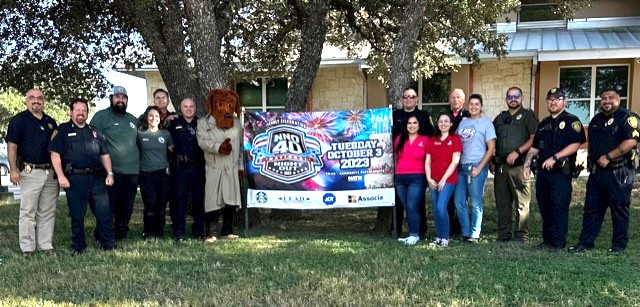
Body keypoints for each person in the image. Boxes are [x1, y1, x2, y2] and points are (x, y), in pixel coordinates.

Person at [569, 88, 640, 253]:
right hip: (597, 173)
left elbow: (630, 142)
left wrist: (608, 157)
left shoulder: (627, 118)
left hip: (619, 171)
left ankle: (618, 246)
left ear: (618, 100)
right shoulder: (596, 120)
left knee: (619, 209)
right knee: (592, 209)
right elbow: (592, 144)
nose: (606, 101)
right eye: (603, 99)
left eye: (610, 98)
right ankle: (585, 243)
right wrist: (587, 160)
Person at [49, 99, 116, 253]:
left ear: (87, 112)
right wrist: (61, 176)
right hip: (75, 179)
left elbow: (104, 154)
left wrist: (110, 173)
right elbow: (55, 154)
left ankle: (108, 243)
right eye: (77, 110)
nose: (81, 113)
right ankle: (78, 246)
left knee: (104, 212)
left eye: (84, 110)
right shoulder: (63, 131)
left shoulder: (94, 132)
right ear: (71, 112)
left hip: (96, 178)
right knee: (77, 214)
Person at [523, 88, 585, 250]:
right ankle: (547, 239)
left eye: (557, 99)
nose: (553, 102)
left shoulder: (572, 121)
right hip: (543, 173)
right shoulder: (543, 124)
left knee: (559, 206)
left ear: (564, 101)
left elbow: (576, 144)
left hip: (561, 172)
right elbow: (535, 147)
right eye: (550, 99)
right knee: (545, 206)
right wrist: (526, 163)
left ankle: (558, 242)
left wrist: (555, 157)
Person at [6, 88, 59, 256]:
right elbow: (12, 146)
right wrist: (13, 169)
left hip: (50, 173)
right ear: (26, 100)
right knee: (28, 211)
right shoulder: (18, 120)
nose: (36, 101)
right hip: (29, 172)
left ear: (44, 101)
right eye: (32, 98)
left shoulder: (51, 122)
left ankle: (45, 245)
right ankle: (27, 248)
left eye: (40, 98)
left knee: (47, 211)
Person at [90, 86, 140, 241]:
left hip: (132, 171)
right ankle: (104, 234)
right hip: (111, 171)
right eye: (117, 97)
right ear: (111, 98)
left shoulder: (132, 119)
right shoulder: (101, 117)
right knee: (108, 206)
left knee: (127, 206)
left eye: (123, 97)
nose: (120, 100)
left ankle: (121, 233)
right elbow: (92, 141)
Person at [492, 86, 538, 243]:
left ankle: (520, 235)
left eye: (516, 96)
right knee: (502, 203)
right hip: (501, 167)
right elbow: (492, 140)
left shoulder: (528, 116)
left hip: (519, 166)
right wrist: (492, 161)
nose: (513, 99)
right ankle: (504, 234)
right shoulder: (499, 118)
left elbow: (534, 138)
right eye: (510, 96)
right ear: (506, 99)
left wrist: (518, 152)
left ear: (521, 98)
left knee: (522, 202)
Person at [197, 89, 244, 242]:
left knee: (231, 201)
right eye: (221, 105)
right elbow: (202, 142)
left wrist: (241, 167)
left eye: (230, 105)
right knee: (213, 200)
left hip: (231, 167)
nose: (226, 109)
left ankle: (227, 230)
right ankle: (211, 232)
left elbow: (242, 146)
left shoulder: (237, 123)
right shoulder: (203, 123)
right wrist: (218, 147)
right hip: (214, 167)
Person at [392, 87, 434, 235]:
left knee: (417, 203)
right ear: (402, 99)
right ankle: (396, 230)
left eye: (412, 97)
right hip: (400, 169)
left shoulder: (423, 115)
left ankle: (420, 231)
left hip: (419, 170)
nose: (408, 99)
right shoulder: (394, 115)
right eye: (406, 97)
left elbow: (431, 138)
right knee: (399, 202)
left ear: (416, 99)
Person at [454, 94, 496, 243]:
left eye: (476, 104)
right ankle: (465, 233)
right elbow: (456, 143)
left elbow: (491, 148)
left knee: (475, 202)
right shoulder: (463, 123)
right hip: (461, 167)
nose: (473, 107)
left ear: (481, 107)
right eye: (471, 104)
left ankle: (475, 234)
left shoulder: (486, 123)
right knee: (459, 202)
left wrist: (480, 168)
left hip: (477, 166)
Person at [168, 98, 206, 240]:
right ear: (181, 108)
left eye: (191, 106)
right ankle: (179, 231)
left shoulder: (201, 123)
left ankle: (198, 231)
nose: (188, 109)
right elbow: (167, 142)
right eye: (185, 106)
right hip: (180, 169)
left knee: (198, 200)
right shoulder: (173, 123)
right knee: (179, 200)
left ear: (195, 108)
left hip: (198, 167)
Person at [425, 113, 462, 247]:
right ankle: (439, 236)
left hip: (448, 180)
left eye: (446, 121)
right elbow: (428, 161)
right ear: (437, 123)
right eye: (440, 121)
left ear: (451, 124)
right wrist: (428, 178)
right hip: (433, 179)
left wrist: (443, 179)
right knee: (436, 209)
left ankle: (445, 238)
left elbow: (455, 161)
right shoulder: (432, 140)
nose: (443, 124)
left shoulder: (455, 139)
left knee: (441, 207)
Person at [138, 106, 174, 239]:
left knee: (161, 204)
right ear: (147, 118)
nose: (154, 118)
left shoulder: (165, 134)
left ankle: (159, 231)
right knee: (150, 204)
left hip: (163, 173)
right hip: (146, 174)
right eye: (151, 116)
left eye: (157, 116)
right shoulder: (140, 134)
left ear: (160, 119)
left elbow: (172, 150)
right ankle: (148, 232)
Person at [394, 116, 430, 246]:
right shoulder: (399, 139)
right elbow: (395, 158)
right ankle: (411, 234)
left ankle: (414, 235)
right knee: (407, 207)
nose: (412, 125)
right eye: (409, 123)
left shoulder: (425, 140)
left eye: (415, 122)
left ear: (419, 125)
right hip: (400, 178)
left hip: (418, 178)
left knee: (412, 206)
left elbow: (429, 160)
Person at [447, 88, 470, 237]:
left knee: (461, 199)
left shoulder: (468, 115)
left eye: (458, 98)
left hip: (464, 161)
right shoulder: (445, 116)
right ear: (449, 100)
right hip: (447, 163)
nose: (455, 100)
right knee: (449, 198)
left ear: (463, 100)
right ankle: (449, 228)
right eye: (453, 97)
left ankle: (461, 228)